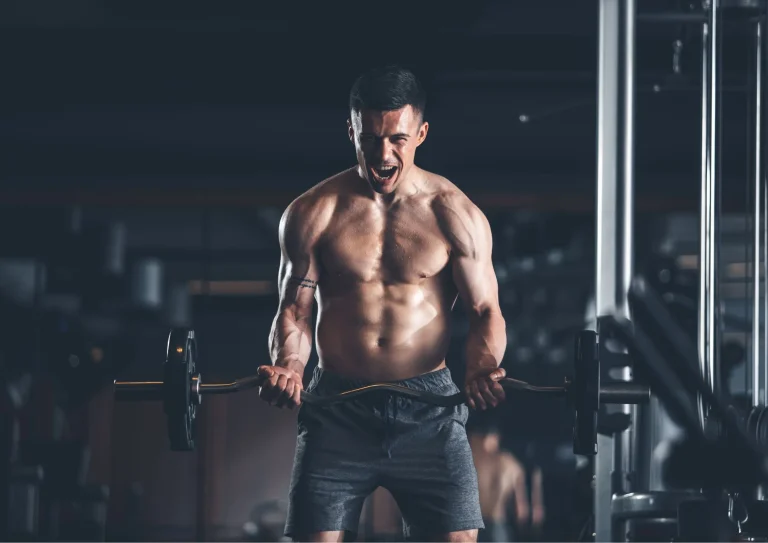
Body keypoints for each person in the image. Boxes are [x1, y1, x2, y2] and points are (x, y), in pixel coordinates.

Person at [258, 65, 508, 542]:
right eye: (369, 138)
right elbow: (295, 310)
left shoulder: (454, 214)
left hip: (429, 410)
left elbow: (484, 313)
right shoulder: (314, 213)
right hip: (338, 406)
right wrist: (288, 365)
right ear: (351, 130)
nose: (383, 153)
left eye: (397, 138)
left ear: (421, 133)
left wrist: (483, 367)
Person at [468, 419, 545, 542]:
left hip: (472, 525)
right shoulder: (512, 465)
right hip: (498, 524)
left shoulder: (471, 461)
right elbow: (521, 510)